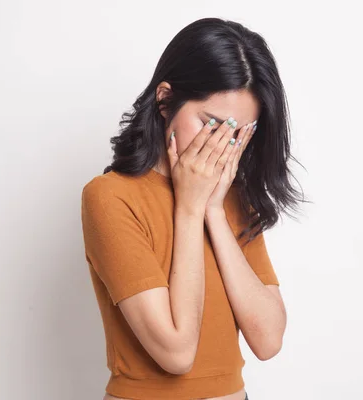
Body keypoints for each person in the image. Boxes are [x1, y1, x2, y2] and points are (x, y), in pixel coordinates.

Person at [81, 17, 306, 400]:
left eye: (240, 133)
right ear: (165, 99)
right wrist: (189, 208)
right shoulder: (110, 197)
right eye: (211, 123)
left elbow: (268, 340)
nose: (223, 145)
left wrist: (213, 211)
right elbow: (177, 352)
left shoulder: (235, 197)